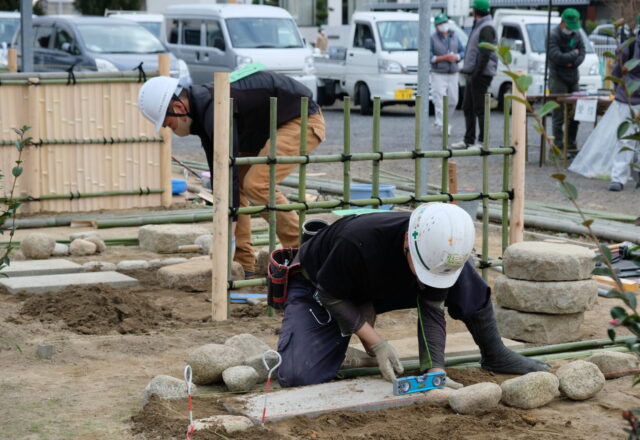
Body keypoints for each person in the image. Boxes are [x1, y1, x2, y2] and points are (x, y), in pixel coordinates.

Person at [276, 203, 550, 387]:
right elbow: (331, 295)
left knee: (465, 275)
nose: (425, 276)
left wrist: (435, 370)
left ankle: (494, 352)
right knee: (299, 373)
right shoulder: (356, 241)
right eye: (421, 268)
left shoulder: (437, 248)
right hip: (324, 286)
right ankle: (350, 349)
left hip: (381, 285)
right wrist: (376, 342)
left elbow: (431, 307)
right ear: (408, 241)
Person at [137, 70, 326, 276]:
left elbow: (229, 171)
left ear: (178, 107)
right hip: (260, 132)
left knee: (256, 184)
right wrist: (226, 219)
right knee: (237, 187)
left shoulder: (215, 108)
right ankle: (243, 264)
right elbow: (222, 172)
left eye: (167, 123)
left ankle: (306, 251)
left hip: (300, 119)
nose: (169, 129)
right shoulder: (202, 112)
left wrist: (228, 228)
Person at [569, 16, 640, 191]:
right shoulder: (629, 44)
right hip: (629, 97)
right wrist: (622, 88)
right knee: (626, 138)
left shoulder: (628, 43)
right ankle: (619, 177)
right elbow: (618, 67)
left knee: (626, 139)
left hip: (627, 95)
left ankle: (621, 177)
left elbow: (617, 69)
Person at [453, 0, 497, 149]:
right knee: (468, 106)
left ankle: (483, 141)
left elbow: (485, 54)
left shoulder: (486, 27)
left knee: (479, 107)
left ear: (475, 11)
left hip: (481, 73)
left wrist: (477, 73)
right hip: (474, 72)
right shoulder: (480, 25)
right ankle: (468, 139)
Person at [548, 8, 585, 157]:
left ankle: (571, 144)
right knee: (558, 114)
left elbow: (582, 52)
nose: (571, 29)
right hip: (557, 78)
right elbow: (555, 56)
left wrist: (572, 61)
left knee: (576, 113)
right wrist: (572, 54)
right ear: (563, 22)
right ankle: (557, 146)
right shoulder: (553, 35)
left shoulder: (577, 34)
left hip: (573, 78)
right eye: (569, 26)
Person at [430, 13, 465, 135]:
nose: (443, 25)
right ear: (436, 26)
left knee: (454, 100)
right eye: (440, 24)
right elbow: (430, 57)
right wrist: (444, 58)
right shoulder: (432, 38)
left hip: (453, 73)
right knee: (439, 99)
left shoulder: (454, 36)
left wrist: (456, 56)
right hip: (438, 73)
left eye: (444, 23)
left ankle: (446, 121)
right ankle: (441, 124)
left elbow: (462, 51)